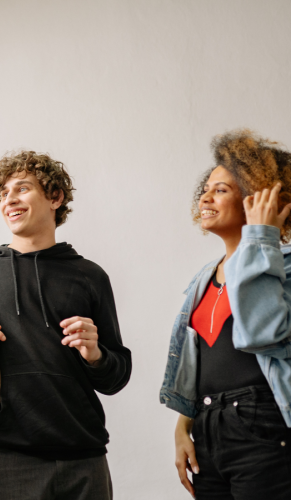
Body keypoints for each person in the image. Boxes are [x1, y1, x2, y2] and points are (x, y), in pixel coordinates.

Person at [0, 150, 132, 500]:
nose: (9, 199)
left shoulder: (90, 276)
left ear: (55, 197)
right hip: (5, 462)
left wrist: (96, 355)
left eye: (22, 188)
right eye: (3, 193)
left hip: (84, 460)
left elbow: (117, 374)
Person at [160, 129, 291, 500]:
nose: (205, 197)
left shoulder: (286, 268)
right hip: (208, 426)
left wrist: (262, 235)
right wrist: (183, 427)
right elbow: (201, 364)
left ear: (257, 198)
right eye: (206, 189)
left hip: (264, 425)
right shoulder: (204, 277)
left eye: (221, 190)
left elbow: (261, 334)